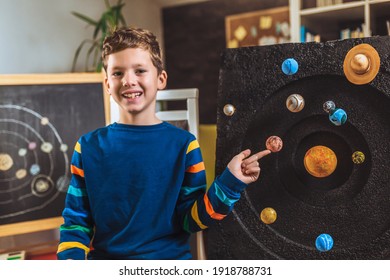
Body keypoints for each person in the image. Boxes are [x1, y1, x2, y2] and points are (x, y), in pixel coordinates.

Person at [57, 26, 270, 260]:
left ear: (161, 79)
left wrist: (230, 183)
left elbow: (192, 221)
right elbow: (76, 223)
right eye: (118, 73)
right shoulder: (87, 147)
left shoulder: (184, 145)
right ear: (107, 84)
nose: (129, 80)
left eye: (139, 70)